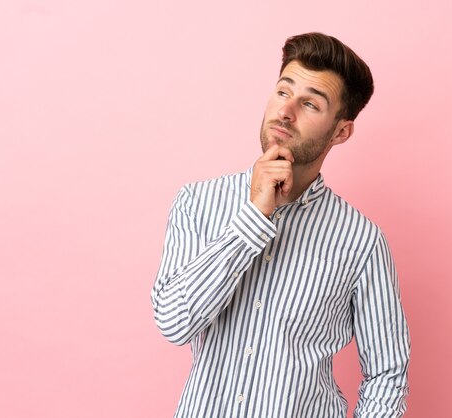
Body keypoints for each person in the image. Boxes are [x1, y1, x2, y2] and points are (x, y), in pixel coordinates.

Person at [151, 32, 410, 418]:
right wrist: (254, 216)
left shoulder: (361, 241)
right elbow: (173, 322)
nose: (285, 112)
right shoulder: (197, 203)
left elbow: (388, 373)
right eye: (282, 91)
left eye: (309, 103)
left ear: (341, 131)